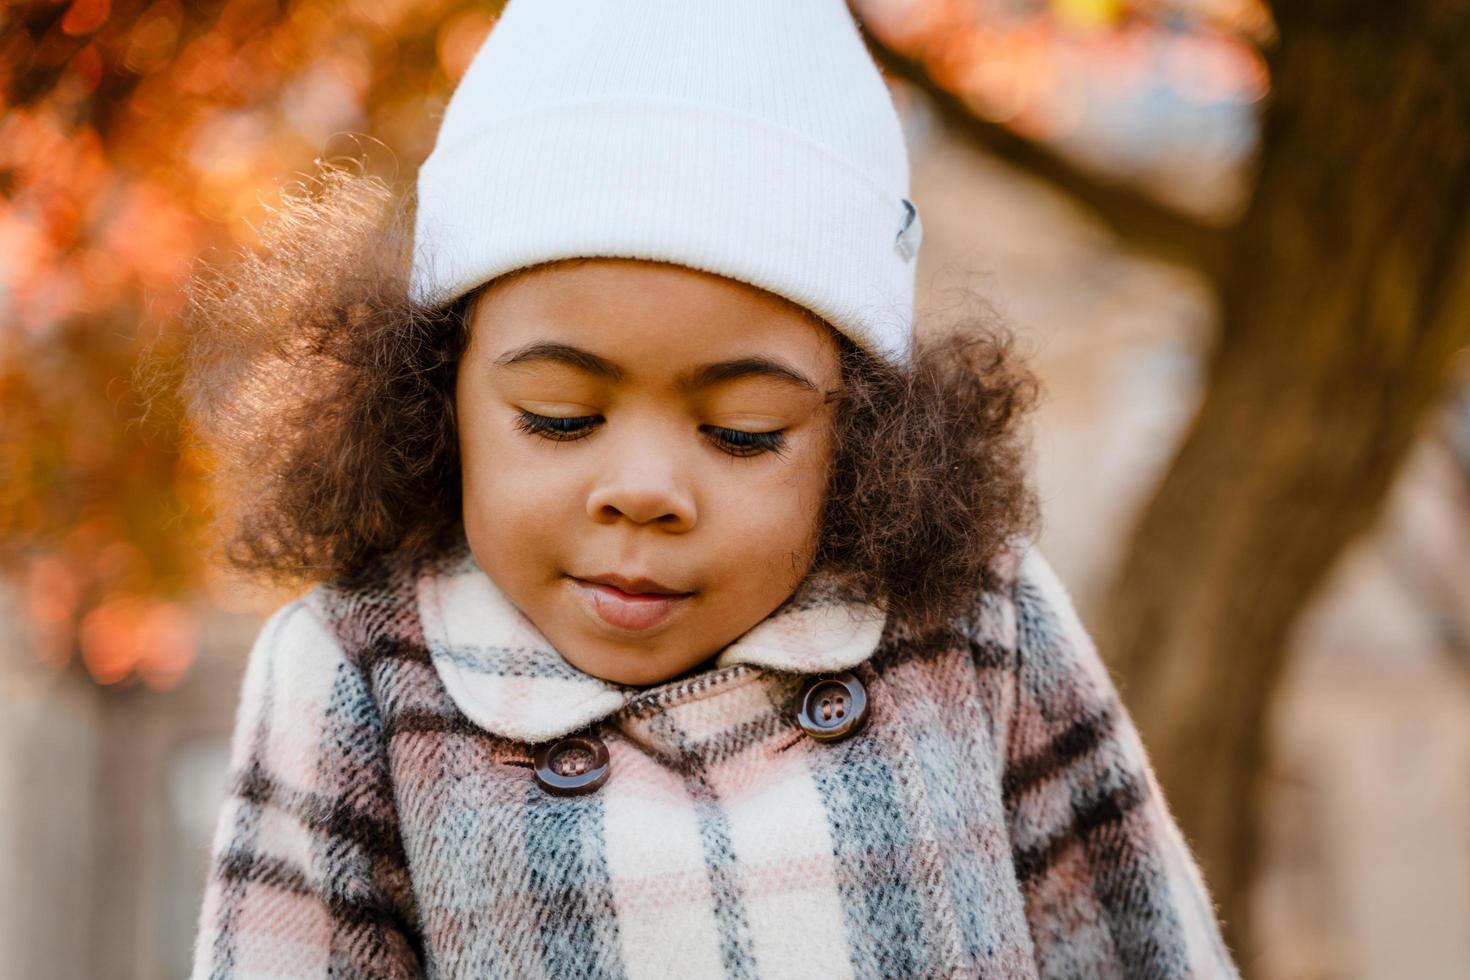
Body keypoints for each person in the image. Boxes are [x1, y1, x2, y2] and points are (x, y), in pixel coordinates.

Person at [185, 0, 1241, 977]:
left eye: (744, 433)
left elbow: (1145, 944)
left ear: (865, 437)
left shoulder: (972, 622)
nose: (644, 491)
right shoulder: (357, 677)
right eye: (559, 415)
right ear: (432, 399)